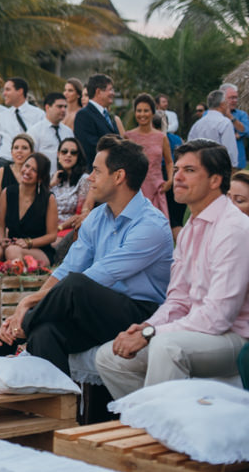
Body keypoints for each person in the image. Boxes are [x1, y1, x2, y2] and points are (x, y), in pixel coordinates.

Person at [0, 135, 174, 374]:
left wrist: (26, 304)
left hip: (140, 313)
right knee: (45, 332)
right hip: (96, 309)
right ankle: (59, 403)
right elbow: (67, 268)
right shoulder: (97, 218)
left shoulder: (151, 225)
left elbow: (97, 277)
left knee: (77, 284)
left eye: (97, 171)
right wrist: (33, 302)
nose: (90, 178)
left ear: (118, 177)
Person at [96, 140, 249, 397]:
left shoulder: (234, 229)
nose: (176, 177)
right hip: (197, 331)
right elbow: (177, 300)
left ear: (215, 180)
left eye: (189, 170)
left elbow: (218, 317)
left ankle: (161, 429)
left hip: (236, 339)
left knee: (166, 347)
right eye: (176, 169)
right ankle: (151, 424)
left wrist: (150, 332)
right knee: (109, 356)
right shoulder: (190, 229)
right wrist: (144, 326)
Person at [0, 152, 58, 267]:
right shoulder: (8, 192)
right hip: (12, 245)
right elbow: (0, 226)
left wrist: (29, 242)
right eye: (27, 166)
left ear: (41, 178)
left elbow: (52, 236)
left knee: (12, 251)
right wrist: (2, 240)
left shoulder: (48, 198)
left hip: (38, 249)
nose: (27, 171)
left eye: (34, 170)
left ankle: (18, 283)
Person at [125, 93, 173, 218]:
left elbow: (169, 162)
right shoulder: (128, 137)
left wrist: (170, 181)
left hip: (157, 188)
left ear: (153, 112)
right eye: (139, 111)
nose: (142, 114)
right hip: (135, 189)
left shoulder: (161, 137)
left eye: (146, 111)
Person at [0, 77, 44, 166]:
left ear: (20, 91)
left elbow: (43, 141)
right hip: (5, 163)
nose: (4, 94)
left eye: (8, 90)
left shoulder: (39, 115)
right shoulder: (1, 116)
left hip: (31, 164)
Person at [73, 73, 120, 161]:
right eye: (110, 90)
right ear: (98, 92)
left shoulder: (108, 115)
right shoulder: (83, 115)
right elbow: (91, 147)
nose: (113, 93)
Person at [189, 89, 239, 169]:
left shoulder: (197, 124)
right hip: (219, 166)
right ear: (222, 104)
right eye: (226, 103)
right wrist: (233, 166)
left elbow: (190, 147)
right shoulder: (225, 122)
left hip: (200, 166)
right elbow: (229, 149)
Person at [50, 137, 92, 232]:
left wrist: (59, 228)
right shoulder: (54, 177)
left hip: (69, 229)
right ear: (58, 155)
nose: (68, 155)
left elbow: (80, 214)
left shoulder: (84, 179)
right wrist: (51, 184)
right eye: (64, 152)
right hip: (48, 228)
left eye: (73, 153)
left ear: (78, 157)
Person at [29, 92, 74, 175]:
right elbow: (31, 158)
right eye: (59, 106)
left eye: (65, 107)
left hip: (66, 180)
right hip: (45, 179)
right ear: (47, 107)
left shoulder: (68, 132)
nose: (63, 110)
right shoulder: (35, 131)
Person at [0, 133, 34, 205]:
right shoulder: (2, 172)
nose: (19, 151)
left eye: (24, 148)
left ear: (31, 152)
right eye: (16, 148)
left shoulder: (35, 172)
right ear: (11, 152)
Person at [221, 83, 248, 168]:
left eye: (236, 97)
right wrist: (235, 135)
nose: (235, 100)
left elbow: (247, 131)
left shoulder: (242, 115)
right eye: (232, 98)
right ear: (222, 98)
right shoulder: (210, 114)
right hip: (217, 160)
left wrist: (230, 116)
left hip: (238, 161)